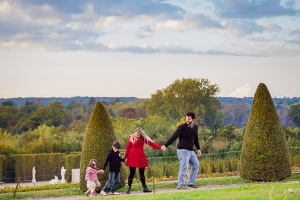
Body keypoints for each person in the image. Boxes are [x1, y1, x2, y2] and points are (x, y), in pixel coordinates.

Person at [162, 111, 201, 190]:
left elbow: (196, 139)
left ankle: (191, 183)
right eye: (186, 118)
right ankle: (181, 185)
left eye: (189, 119)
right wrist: (166, 145)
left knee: (196, 165)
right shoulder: (182, 127)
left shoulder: (195, 127)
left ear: (193, 119)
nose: (187, 120)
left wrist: (198, 148)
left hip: (191, 150)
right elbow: (173, 136)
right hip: (183, 150)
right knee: (183, 168)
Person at [125, 127, 165, 194]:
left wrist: (160, 147)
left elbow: (152, 144)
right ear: (134, 132)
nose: (137, 136)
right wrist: (126, 157)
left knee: (142, 173)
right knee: (131, 173)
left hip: (141, 157)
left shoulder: (143, 139)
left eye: (138, 135)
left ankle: (145, 188)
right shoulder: (130, 138)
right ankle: (128, 187)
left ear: (141, 135)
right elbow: (128, 147)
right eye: (136, 134)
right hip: (132, 156)